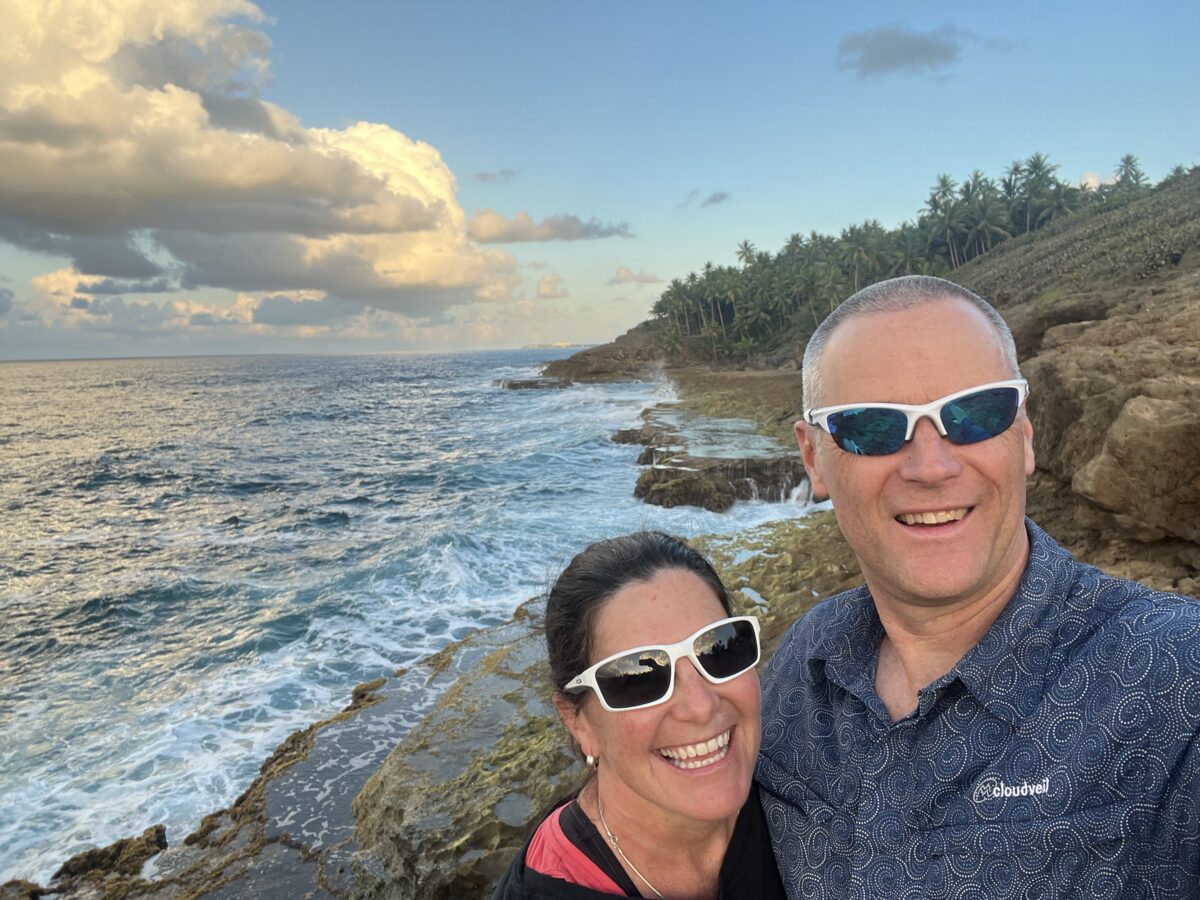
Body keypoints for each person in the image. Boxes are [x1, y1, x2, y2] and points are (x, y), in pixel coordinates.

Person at [757, 274, 1200, 898]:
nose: (932, 466)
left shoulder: (1177, 680)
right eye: (874, 427)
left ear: (1023, 433)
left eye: (974, 414)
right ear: (813, 459)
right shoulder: (802, 663)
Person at [494, 531, 786, 899]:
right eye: (640, 677)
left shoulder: (805, 786)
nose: (700, 706)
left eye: (717, 649)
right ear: (577, 721)